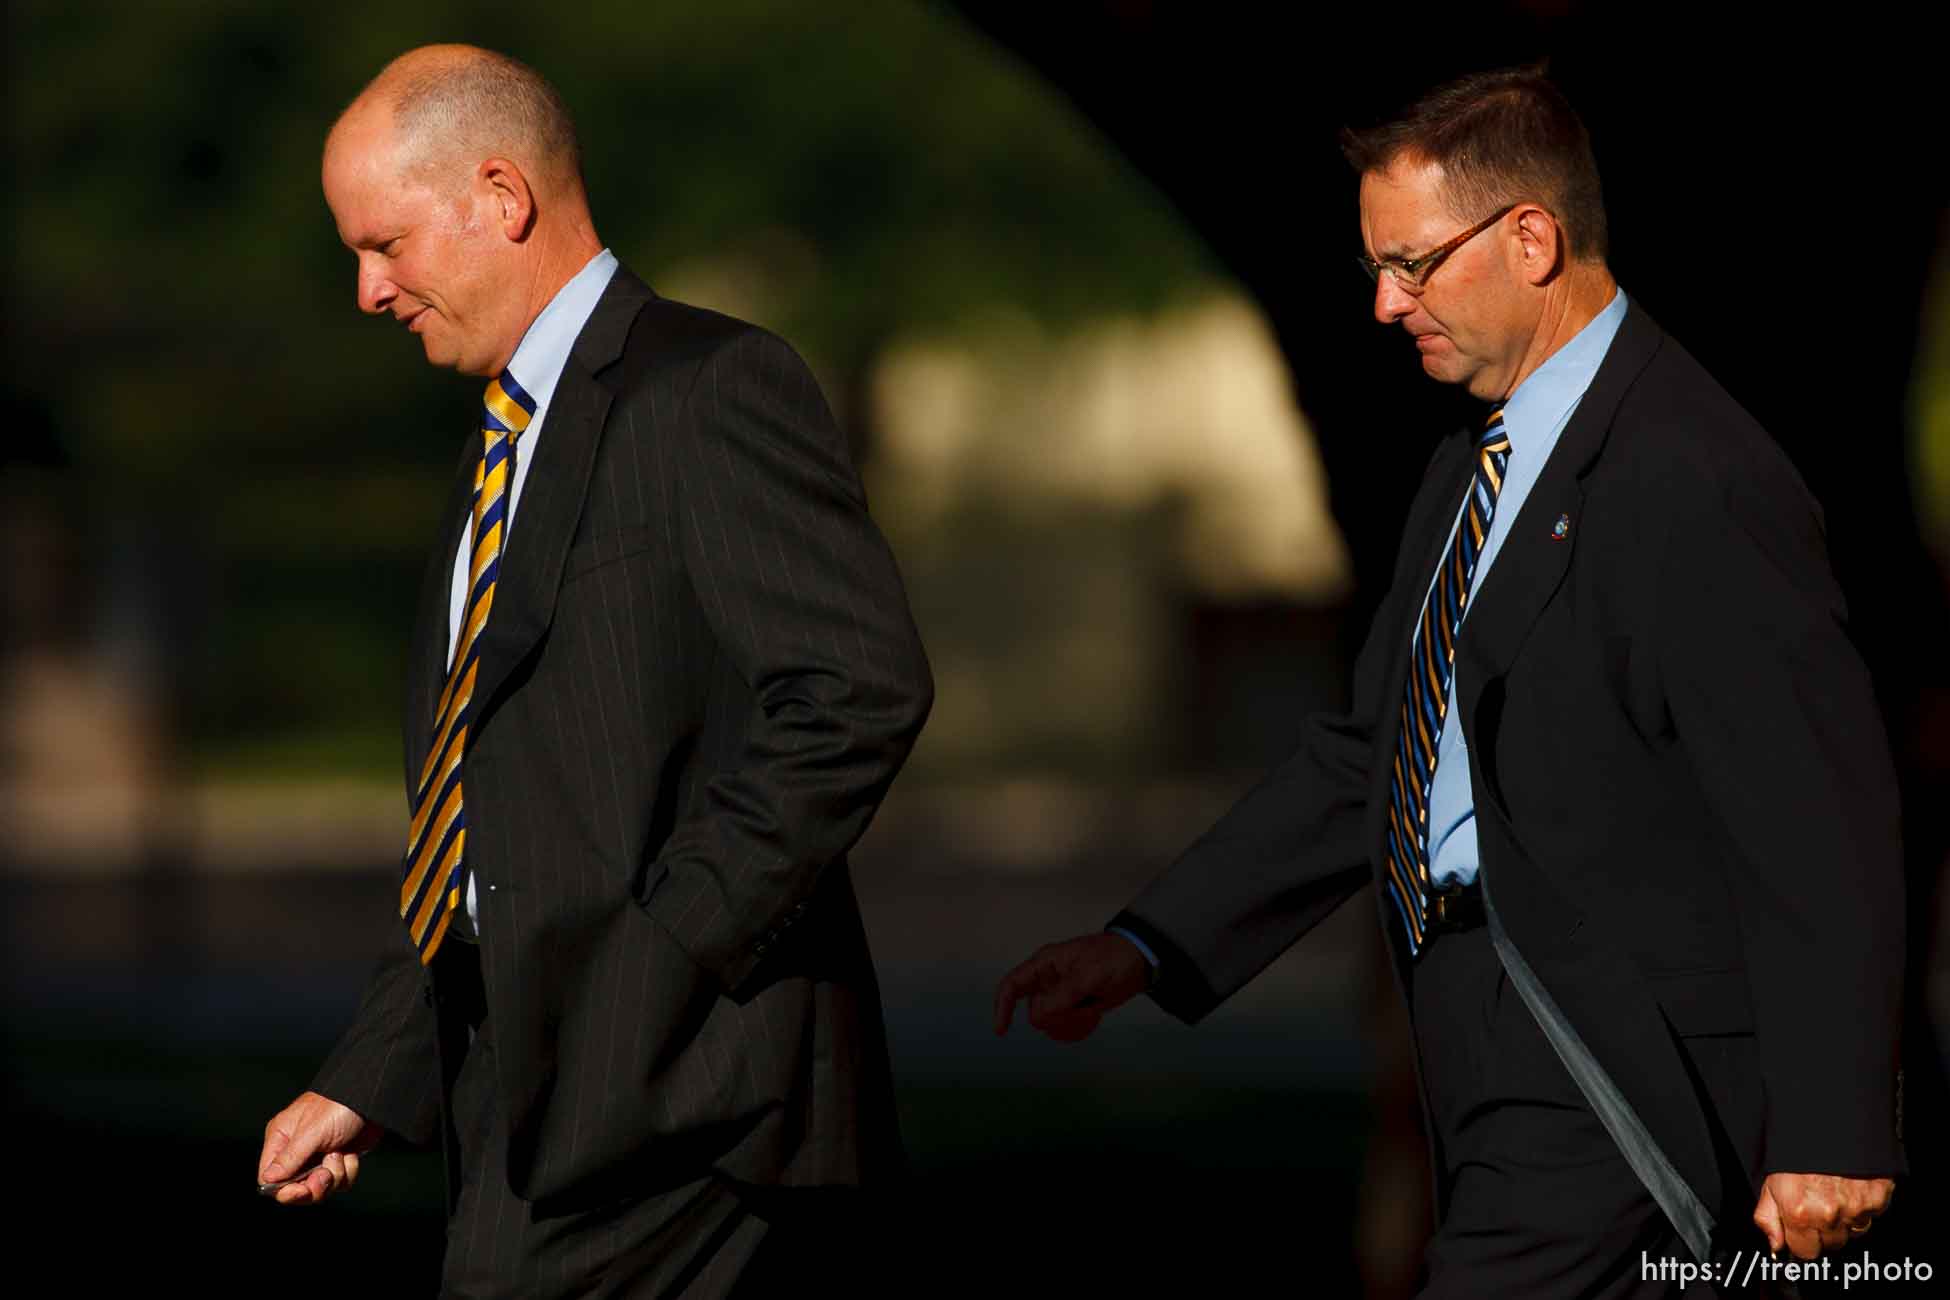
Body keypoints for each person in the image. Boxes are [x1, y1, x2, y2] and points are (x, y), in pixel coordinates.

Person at [994, 66, 1904, 1297]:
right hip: (1477, 1033)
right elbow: (1372, 749)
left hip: (1618, 1060)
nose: (1382, 304)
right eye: (1374, 267)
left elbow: (1816, 820)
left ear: (1531, 237)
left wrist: (1833, 1131)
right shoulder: (1465, 471)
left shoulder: (1689, 475)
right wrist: (1146, 946)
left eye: (1411, 264)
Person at [255, 44, 933, 1295]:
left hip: (695, 1120)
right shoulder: (503, 443)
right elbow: (485, 803)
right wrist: (377, 1069)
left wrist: (660, 953)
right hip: (534, 1119)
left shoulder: (709, 386)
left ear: (499, 196)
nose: (366, 290)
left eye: (385, 244)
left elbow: (855, 691)